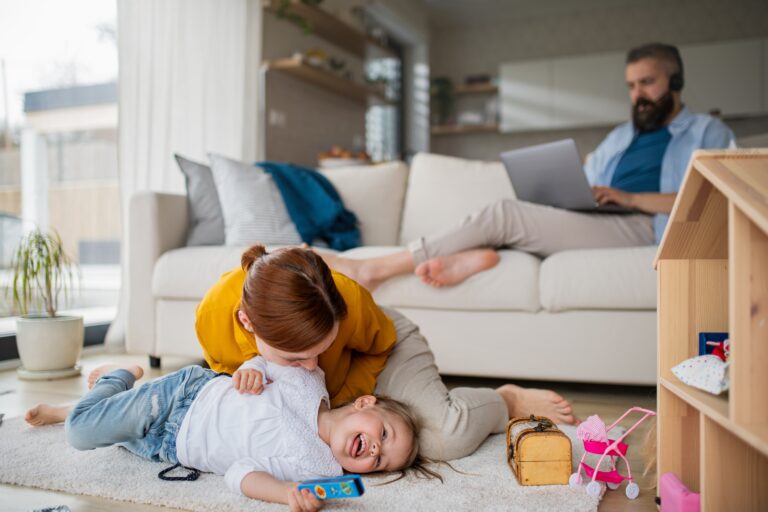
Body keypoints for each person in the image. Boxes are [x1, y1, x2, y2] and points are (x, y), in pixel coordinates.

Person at [320, 42, 736, 290]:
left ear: (675, 82)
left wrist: (631, 197)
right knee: (524, 212)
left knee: (503, 213)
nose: (638, 94)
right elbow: (589, 188)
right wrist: (571, 197)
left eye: (648, 82)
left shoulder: (707, 132)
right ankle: (482, 253)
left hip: (649, 226)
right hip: (606, 219)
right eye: (631, 85)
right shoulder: (620, 138)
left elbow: (712, 201)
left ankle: (375, 268)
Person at [195, 244, 577, 463]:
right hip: (338, 389)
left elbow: (379, 347)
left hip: (380, 349)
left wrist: (338, 402)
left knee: (445, 438)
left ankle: (502, 400)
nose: (312, 367)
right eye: (297, 358)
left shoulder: (344, 298)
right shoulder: (213, 321)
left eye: (320, 351)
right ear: (247, 323)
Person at [25, 356, 425, 511]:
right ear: (365, 403)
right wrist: (249, 368)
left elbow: (240, 474)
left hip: (168, 447)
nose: (374, 452)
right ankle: (117, 377)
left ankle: (75, 407)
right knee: (81, 433)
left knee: (105, 427)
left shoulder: (315, 469)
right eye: (384, 436)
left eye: (381, 462)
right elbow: (268, 357)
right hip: (183, 397)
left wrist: (286, 493)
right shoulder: (309, 380)